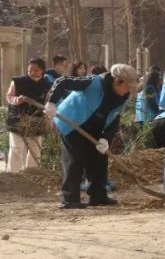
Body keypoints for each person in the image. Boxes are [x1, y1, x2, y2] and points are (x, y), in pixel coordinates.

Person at [44, 64, 137, 209]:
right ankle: (70, 198)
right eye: (128, 86)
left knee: (99, 160)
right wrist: (51, 102)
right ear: (117, 80)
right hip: (72, 122)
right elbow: (62, 81)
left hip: (95, 128)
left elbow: (114, 119)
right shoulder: (93, 83)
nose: (129, 90)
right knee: (75, 159)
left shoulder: (122, 97)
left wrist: (106, 138)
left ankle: (98, 196)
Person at [5, 58, 51, 173]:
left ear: (42, 71)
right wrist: (17, 100)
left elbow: (48, 102)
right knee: (16, 148)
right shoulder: (17, 81)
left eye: (36, 70)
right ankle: (13, 174)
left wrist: (48, 114)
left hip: (37, 120)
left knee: (35, 149)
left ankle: (31, 173)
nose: (32, 72)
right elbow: (9, 97)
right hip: (17, 118)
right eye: (30, 70)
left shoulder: (47, 84)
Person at [148, 66, 165, 150]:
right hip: (164, 116)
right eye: (158, 77)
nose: (160, 80)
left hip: (159, 117)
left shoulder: (157, 87)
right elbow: (152, 103)